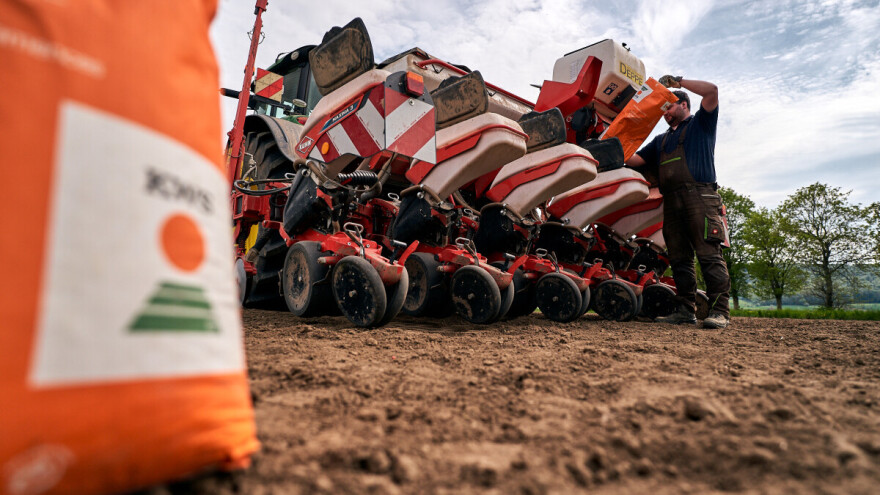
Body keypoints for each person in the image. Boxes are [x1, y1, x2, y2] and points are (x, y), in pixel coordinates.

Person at [625, 75, 730, 329]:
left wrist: (679, 82)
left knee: (708, 255)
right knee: (680, 258)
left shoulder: (701, 124)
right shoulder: (660, 141)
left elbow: (712, 91)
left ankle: (720, 312)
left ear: (683, 104)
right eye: (663, 110)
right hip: (671, 201)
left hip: (701, 198)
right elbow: (634, 160)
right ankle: (685, 310)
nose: (665, 113)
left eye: (668, 106)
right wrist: (615, 140)